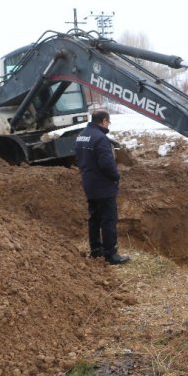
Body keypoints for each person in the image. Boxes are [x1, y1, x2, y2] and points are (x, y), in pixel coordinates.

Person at [74, 110, 130, 265]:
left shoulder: (82, 136)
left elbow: (79, 159)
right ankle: (111, 255)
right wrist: (116, 176)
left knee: (94, 218)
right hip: (103, 186)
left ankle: (96, 250)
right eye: (108, 122)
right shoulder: (101, 139)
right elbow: (107, 164)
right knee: (109, 220)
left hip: (89, 184)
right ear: (104, 121)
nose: (108, 125)